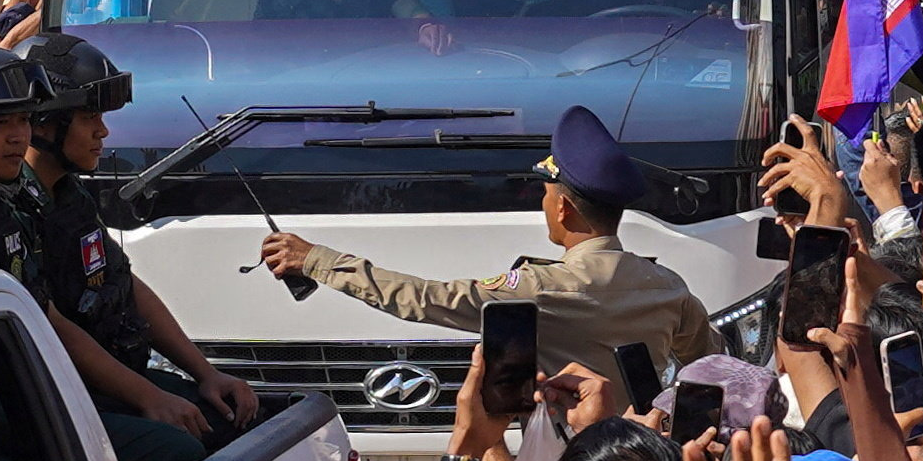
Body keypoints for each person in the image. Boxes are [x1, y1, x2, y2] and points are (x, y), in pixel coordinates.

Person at [260, 108, 723, 378]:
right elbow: (713, 363)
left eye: (547, 194)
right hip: (645, 459)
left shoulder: (544, 289)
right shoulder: (668, 286)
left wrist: (318, 260)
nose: (544, 206)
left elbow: (425, 300)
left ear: (564, 209)